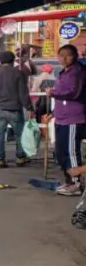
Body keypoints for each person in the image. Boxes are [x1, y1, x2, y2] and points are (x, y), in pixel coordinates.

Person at [0, 50, 35, 168]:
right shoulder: (18, 73)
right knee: (19, 135)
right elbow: (23, 93)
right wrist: (29, 107)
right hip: (14, 109)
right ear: (13, 61)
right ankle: (20, 158)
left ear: (0, 62)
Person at [49, 44, 86, 196]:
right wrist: (53, 113)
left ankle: (76, 184)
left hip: (73, 118)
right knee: (60, 152)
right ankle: (69, 181)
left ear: (75, 56)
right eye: (61, 55)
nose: (64, 59)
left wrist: (53, 93)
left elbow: (74, 93)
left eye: (68, 55)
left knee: (71, 152)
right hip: (61, 117)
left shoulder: (79, 72)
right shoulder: (62, 72)